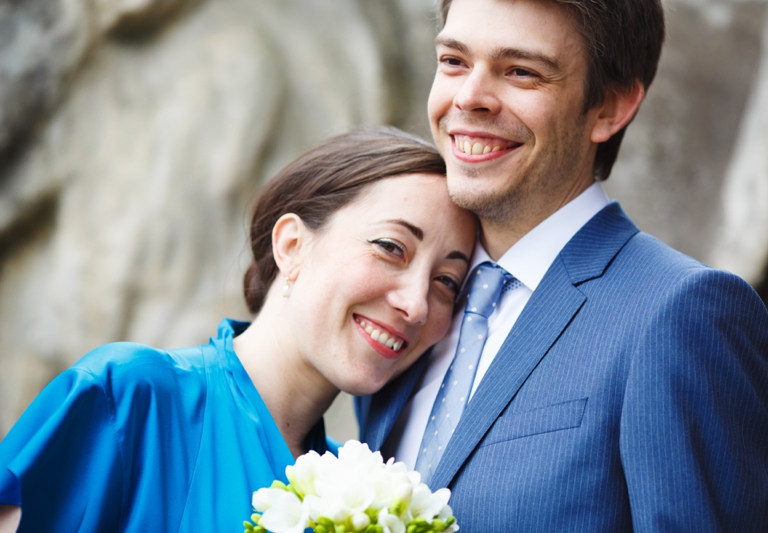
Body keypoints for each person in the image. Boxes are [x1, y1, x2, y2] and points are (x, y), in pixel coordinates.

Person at [357, 0, 768, 531]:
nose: (469, 97)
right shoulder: (409, 306)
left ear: (611, 106)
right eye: (454, 61)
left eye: (521, 72)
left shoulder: (684, 314)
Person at [0, 127, 477, 532]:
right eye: (391, 247)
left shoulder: (364, 493)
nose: (416, 304)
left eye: (446, 282)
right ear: (292, 245)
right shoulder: (129, 397)